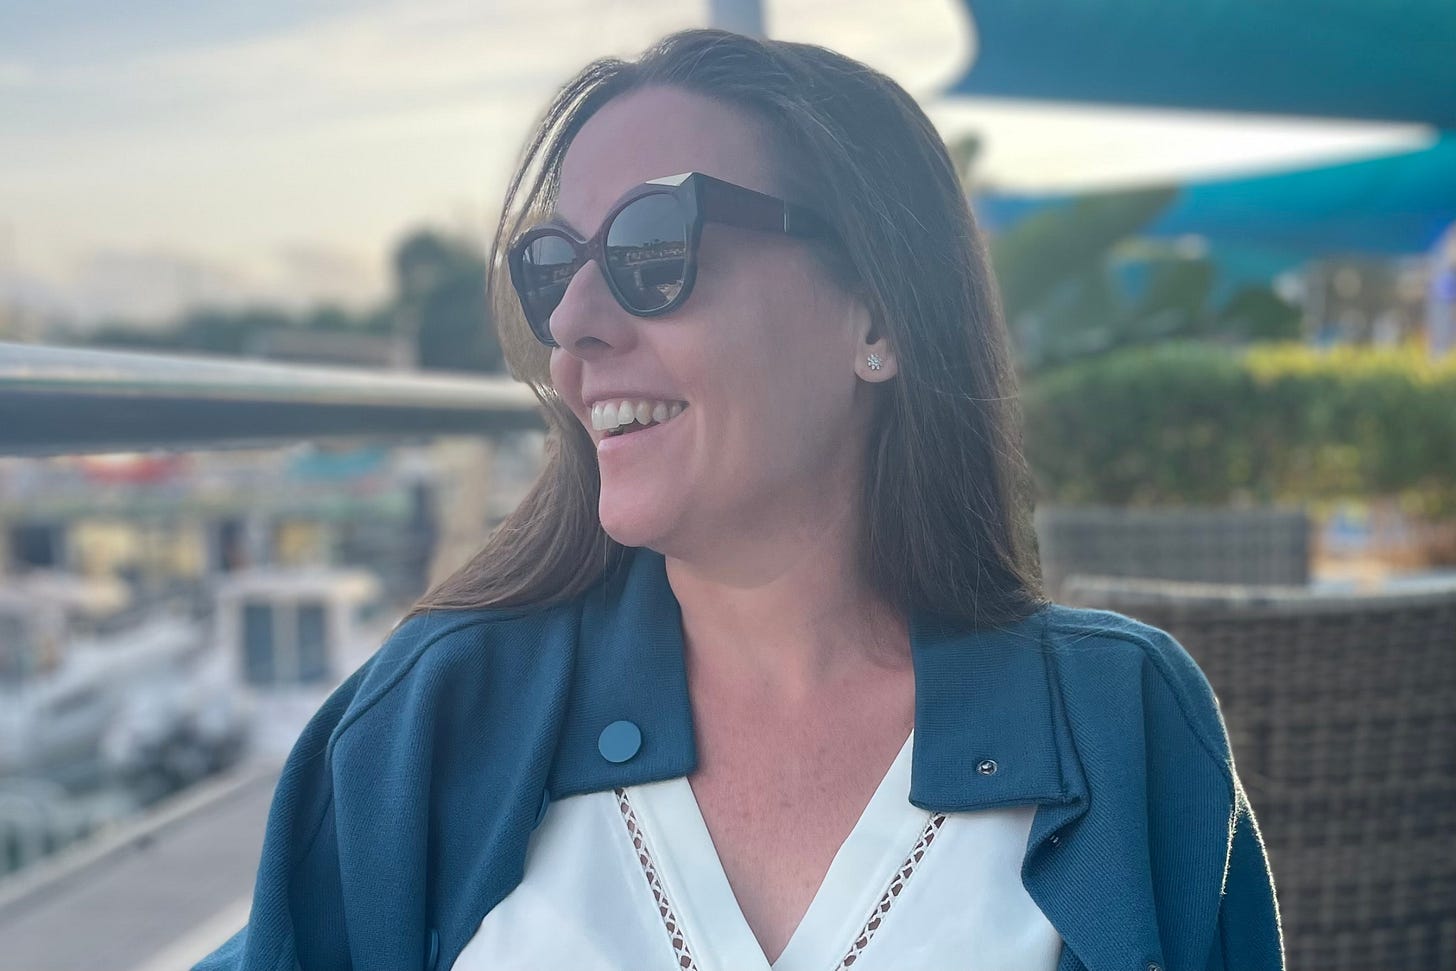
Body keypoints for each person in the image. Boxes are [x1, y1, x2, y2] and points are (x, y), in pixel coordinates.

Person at [196, 28, 1283, 971]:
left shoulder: (1117, 725)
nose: (571, 323)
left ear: (879, 318)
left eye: (651, 248)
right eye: (553, 265)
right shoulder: (438, 720)